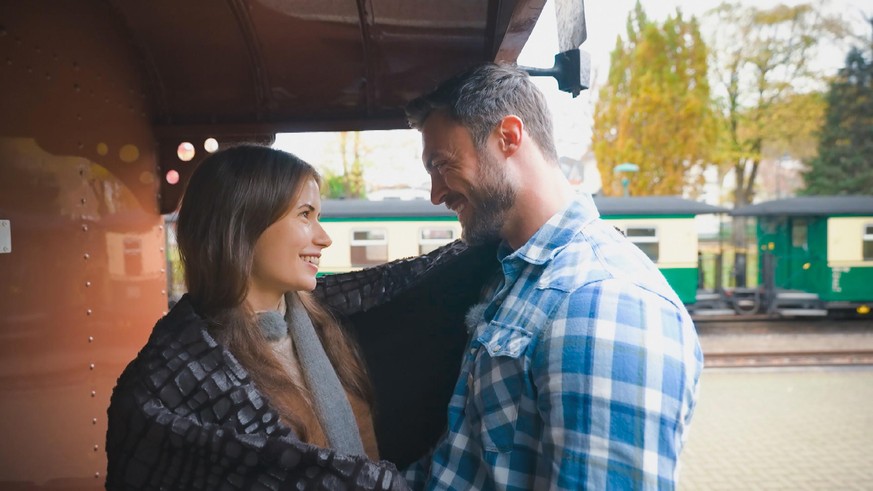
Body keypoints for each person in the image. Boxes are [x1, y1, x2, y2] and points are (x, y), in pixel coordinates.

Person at [401, 62, 704, 490]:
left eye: (442, 164)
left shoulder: (605, 302)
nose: (435, 195)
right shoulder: (512, 271)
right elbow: (467, 459)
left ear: (508, 136)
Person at [106, 145, 407, 490]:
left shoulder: (328, 332)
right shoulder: (167, 379)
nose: (324, 238)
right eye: (305, 215)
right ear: (243, 224)